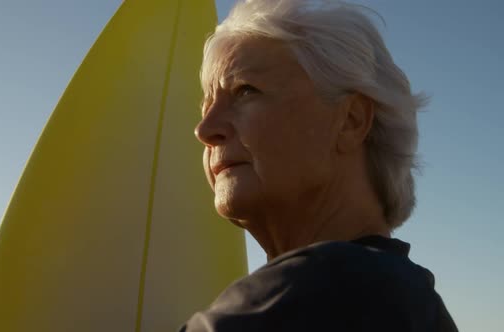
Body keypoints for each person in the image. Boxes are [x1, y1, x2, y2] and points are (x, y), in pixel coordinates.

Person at [179, 0, 458, 331]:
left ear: (351, 121)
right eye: (206, 107)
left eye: (244, 91)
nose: (204, 130)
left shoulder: (323, 291)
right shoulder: (405, 300)